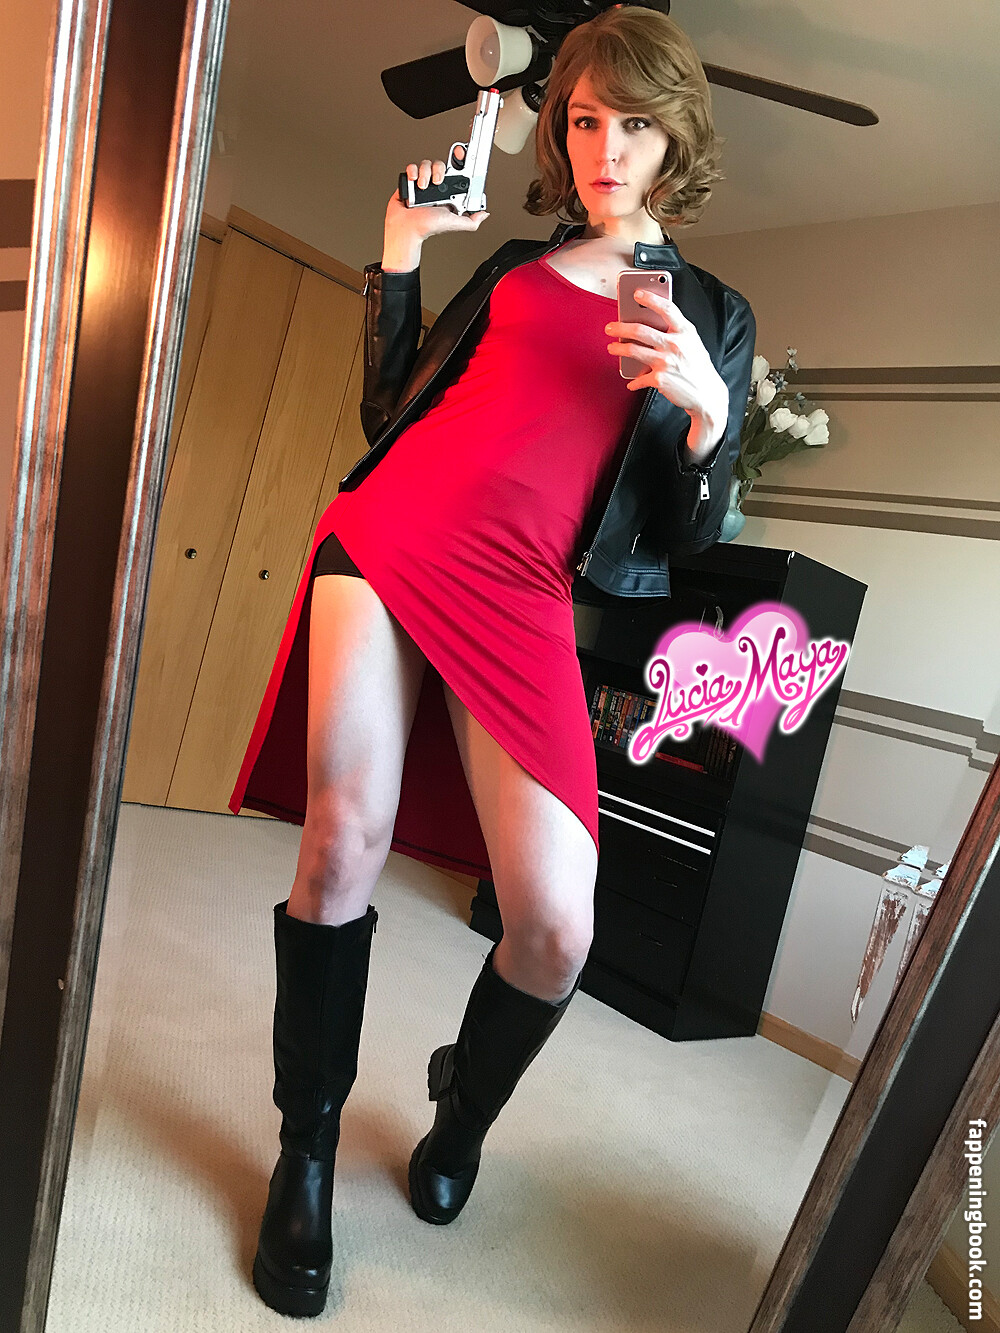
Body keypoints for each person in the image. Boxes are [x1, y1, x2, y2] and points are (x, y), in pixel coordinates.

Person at [239, 6, 755, 1318]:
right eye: (582, 119)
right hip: (394, 532)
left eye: (634, 123)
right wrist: (401, 250)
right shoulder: (517, 269)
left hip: (526, 597)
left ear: (676, 139)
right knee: (342, 840)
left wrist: (709, 420)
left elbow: (689, 536)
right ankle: (306, 1145)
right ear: (557, 130)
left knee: (557, 923)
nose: (604, 147)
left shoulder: (713, 315)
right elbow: (390, 407)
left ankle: (459, 1109)